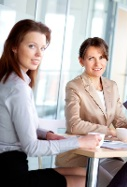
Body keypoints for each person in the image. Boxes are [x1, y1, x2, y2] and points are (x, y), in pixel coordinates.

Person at [0, 19, 102, 187]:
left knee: (83, 173)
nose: (39, 54)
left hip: (8, 169)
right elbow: (32, 148)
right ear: (14, 46)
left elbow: (16, 126)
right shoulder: (18, 89)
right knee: (86, 180)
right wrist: (80, 142)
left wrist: (46, 134)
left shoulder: (9, 80)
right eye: (32, 46)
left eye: (42, 48)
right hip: (12, 176)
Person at [55, 37, 127, 187]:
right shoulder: (74, 86)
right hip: (81, 156)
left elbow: (120, 122)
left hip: (106, 154)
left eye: (101, 57)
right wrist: (109, 131)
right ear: (81, 61)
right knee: (117, 184)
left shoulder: (112, 86)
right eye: (91, 58)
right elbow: (74, 125)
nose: (97, 63)